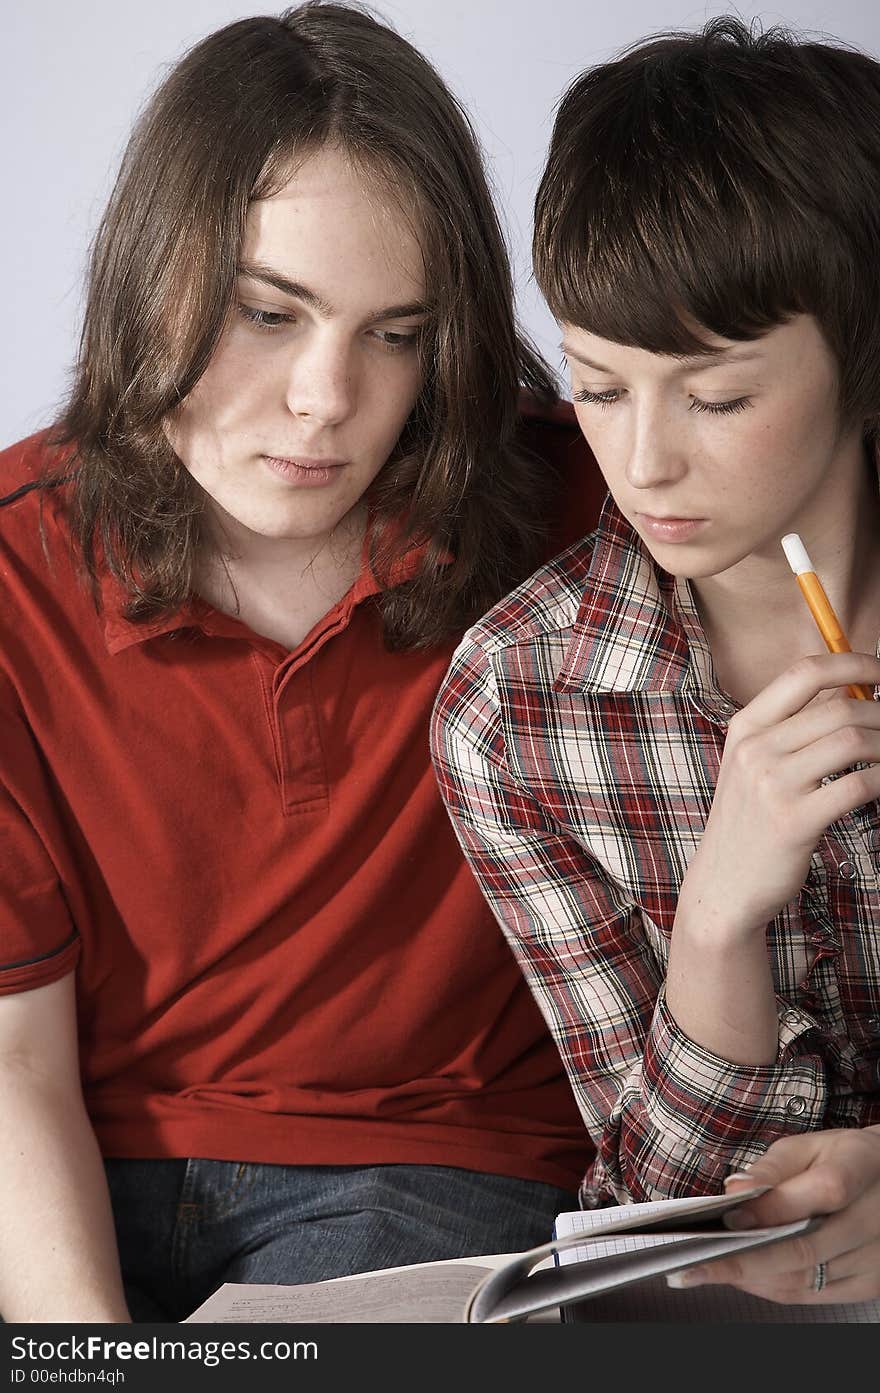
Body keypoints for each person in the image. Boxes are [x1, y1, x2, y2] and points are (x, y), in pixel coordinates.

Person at [0, 3, 602, 1324]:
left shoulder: (577, 502)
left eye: (395, 334)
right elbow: (12, 1068)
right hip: (78, 1160)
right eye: (268, 314)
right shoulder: (11, 575)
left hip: (429, 1166)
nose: (327, 400)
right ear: (148, 276)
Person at [431, 16, 880, 1309]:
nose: (645, 462)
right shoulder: (516, 700)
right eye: (599, 383)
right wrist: (720, 920)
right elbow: (656, 1218)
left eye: (718, 395)